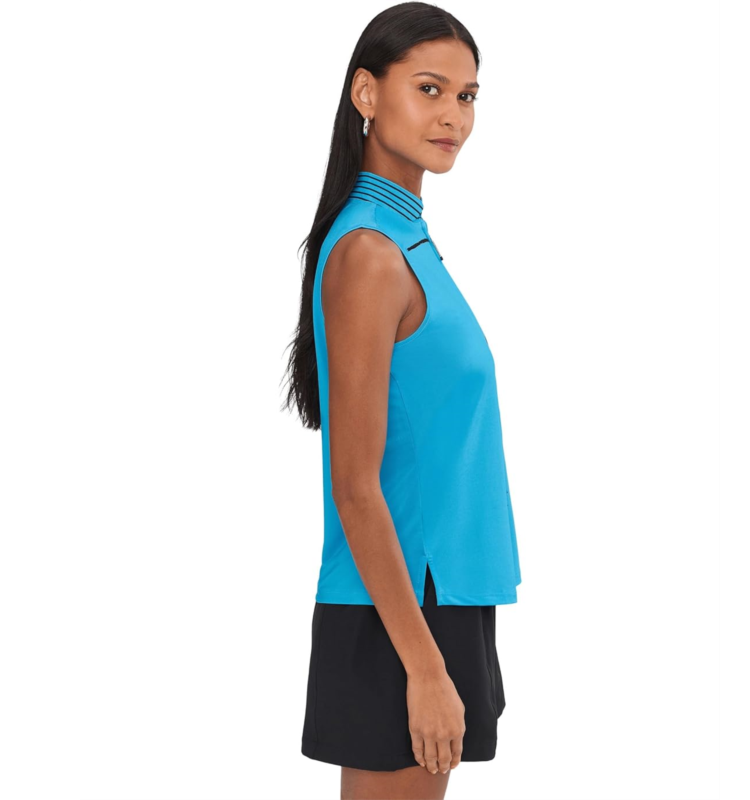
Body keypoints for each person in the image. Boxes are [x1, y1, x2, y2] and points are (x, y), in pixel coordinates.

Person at [281, 3, 521, 798]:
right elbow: (355, 484)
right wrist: (423, 665)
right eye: (429, 88)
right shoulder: (371, 254)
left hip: (434, 592)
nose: (454, 115)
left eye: (468, 95)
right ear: (367, 93)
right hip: (403, 606)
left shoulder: (404, 242)